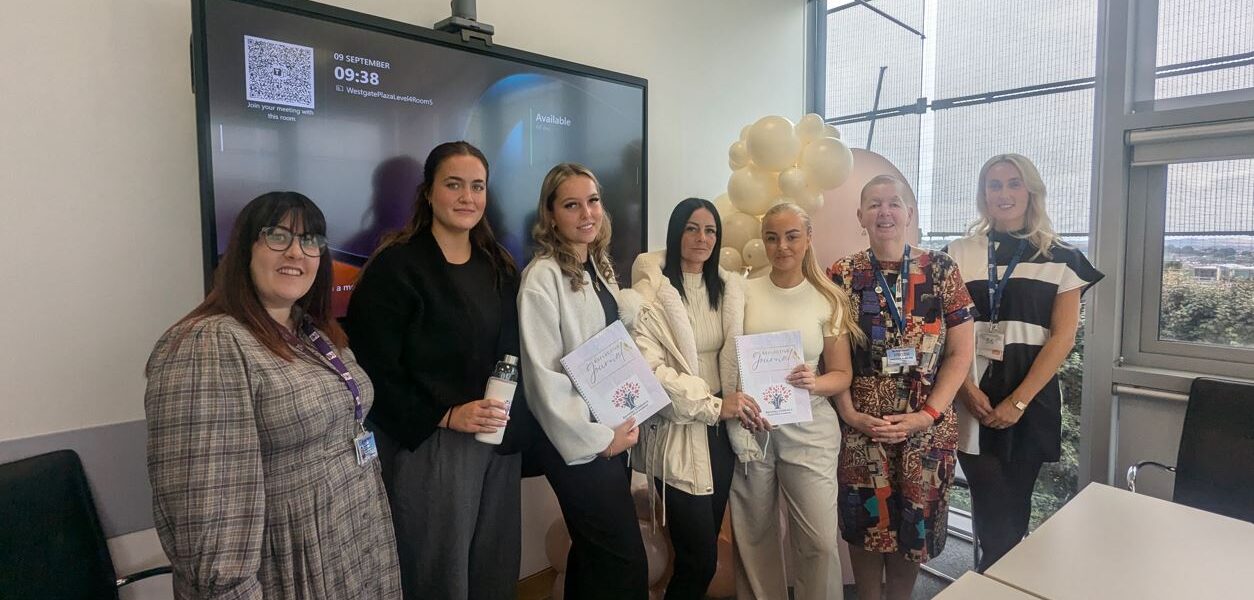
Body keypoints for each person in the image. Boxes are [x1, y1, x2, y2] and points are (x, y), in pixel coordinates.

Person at [145, 191, 401, 599]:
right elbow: (209, 518)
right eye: (278, 236)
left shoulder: (312, 331)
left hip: (350, 543)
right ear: (244, 248)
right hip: (288, 564)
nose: (297, 253)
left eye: (311, 241)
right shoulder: (209, 343)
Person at [345, 141, 530, 599]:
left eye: (477, 186)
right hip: (430, 443)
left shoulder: (499, 266)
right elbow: (373, 370)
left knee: (495, 567)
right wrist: (446, 415)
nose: (467, 197)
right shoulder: (396, 266)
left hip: (498, 441)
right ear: (428, 192)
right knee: (437, 574)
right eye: (454, 185)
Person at [944, 154, 1103, 571]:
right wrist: (965, 389)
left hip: (1029, 397)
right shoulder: (958, 253)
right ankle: (996, 581)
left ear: (1030, 190)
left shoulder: (1063, 258)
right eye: (994, 185)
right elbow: (942, 332)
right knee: (993, 515)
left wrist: (1018, 401)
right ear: (983, 195)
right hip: (971, 393)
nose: (1004, 194)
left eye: (1013, 183)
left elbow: (1063, 337)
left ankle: (995, 584)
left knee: (1015, 512)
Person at [828, 175, 974, 600]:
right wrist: (849, 414)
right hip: (863, 427)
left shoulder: (941, 270)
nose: (885, 212)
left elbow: (960, 355)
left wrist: (924, 416)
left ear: (909, 214)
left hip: (926, 426)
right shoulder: (842, 274)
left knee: (916, 528)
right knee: (865, 526)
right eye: (874, 205)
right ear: (860, 216)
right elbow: (830, 356)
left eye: (894, 203)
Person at [518, 163, 647, 599]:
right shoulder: (542, 278)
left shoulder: (599, 266)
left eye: (593, 201)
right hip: (581, 446)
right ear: (551, 214)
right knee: (625, 563)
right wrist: (598, 440)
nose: (587, 213)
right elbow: (542, 378)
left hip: (613, 435)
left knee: (593, 560)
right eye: (572, 205)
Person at [621, 198, 758, 600]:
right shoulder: (648, 296)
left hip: (722, 436)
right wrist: (715, 404)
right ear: (675, 232)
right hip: (680, 431)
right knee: (698, 557)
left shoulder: (731, 290)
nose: (702, 238)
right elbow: (653, 374)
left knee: (705, 553)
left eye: (711, 230)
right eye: (692, 228)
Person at [728, 202, 861, 600]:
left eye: (791, 236)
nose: (781, 246)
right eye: (771, 237)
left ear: (808, 239)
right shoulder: (743, 291)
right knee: (753, 537)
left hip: (810, 425)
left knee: (819, 541)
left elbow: (843, 374)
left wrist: (816, 382)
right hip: (753, 426)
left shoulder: (829, 297)